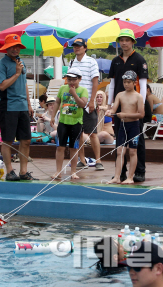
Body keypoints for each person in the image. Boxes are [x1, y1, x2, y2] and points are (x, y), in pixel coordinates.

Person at [108, 29, 150, 182]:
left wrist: (142, 104)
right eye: (122, 40)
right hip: (119, 102)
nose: (124, 43)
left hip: (135, 104)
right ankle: (120, 173)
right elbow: (112, 83)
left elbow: (144, 84)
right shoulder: (115, 61)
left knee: (137, 141)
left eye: (127, 40)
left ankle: (139, 171)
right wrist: (109, 105)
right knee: (119, 140)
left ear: (133, 42)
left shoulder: (139, 59)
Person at [0, 34, 36, 181]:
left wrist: (29, 104)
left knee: (26, 140)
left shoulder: (21, 61)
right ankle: (10, 171)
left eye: (17, 46)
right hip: (8, 107)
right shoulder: (1, 64)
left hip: (22, 106)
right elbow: (2, 86)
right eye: (11, 47)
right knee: (8, 140)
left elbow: (24, 83)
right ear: (6, 48)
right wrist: (17, 73)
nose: (15, 49)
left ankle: (23, 171)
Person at [69, 38, 104, 171]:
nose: (77, 48)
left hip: (88, 102)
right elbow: (70, 83)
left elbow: (95, 82)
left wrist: (92, 101)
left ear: (85, 47)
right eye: (75, 46)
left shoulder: (91, 62)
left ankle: (98, 160)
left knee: (92, 133)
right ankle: (82, 160)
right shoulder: (72, 62)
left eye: (79, 46)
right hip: (75, 103)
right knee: (79, 133)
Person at [106, 70, 144, 184]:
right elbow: (114, 109)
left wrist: (126, 115)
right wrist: (108, 111)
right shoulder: (120, 95)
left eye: (128, 82)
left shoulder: (138, 97)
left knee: (132, 152)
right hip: (123, 125)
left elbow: (141, 114)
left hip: (134, 126)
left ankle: (130, 177)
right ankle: (117, 176)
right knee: (119, 151)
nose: (126, 84)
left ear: (134, 83)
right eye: (124, 82)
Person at [50, 67, 88, 180]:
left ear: (79, 79)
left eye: (74, 79)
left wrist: (74, 94)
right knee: (60, 147)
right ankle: (58, 171)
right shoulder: (62, 88)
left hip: (76, 122)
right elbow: (57, 101)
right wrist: (52, 116)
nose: (71, 82)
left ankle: (73, 171)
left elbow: (83, 104)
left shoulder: (83, 90)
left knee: (73, 148)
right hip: (63, 122)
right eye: (69, 79)